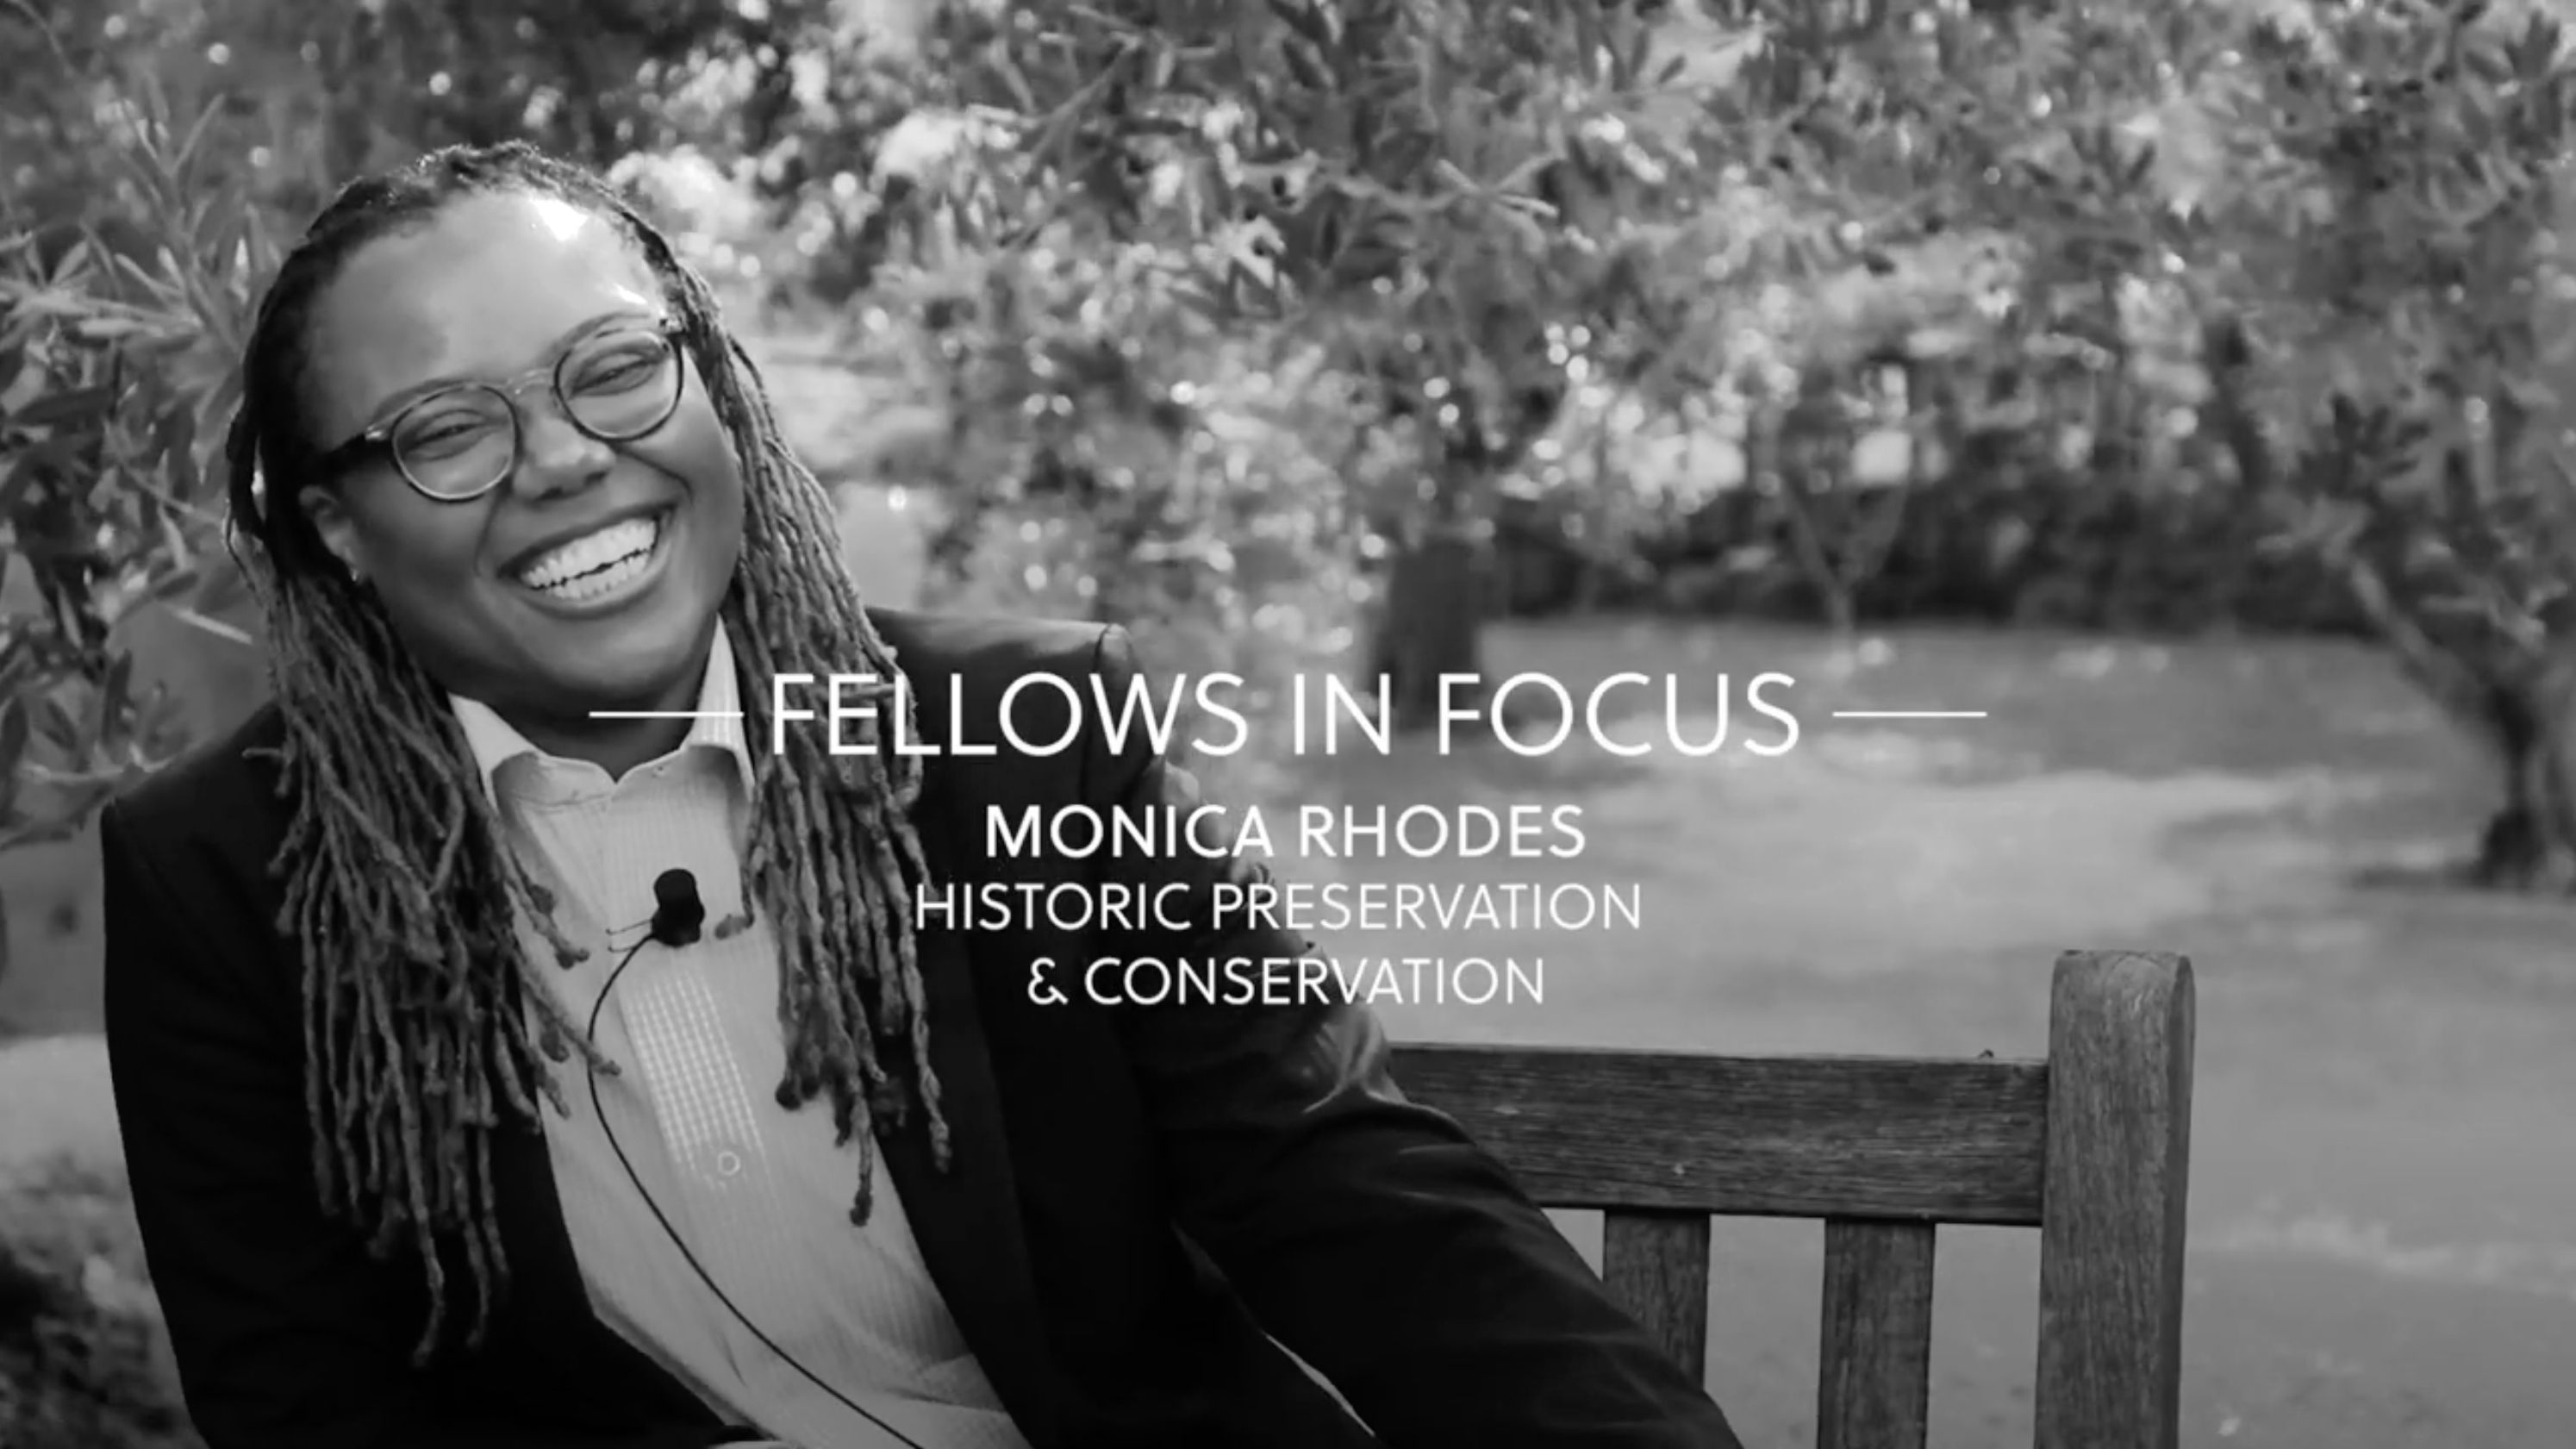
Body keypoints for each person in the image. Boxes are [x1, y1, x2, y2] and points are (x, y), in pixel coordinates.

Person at [98, 141, 1748, 1449]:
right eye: (450, 428)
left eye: (614, 368)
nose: (562, 458)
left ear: (709, 385)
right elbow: (306, 1407)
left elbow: (1337, 1186)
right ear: (333, 523)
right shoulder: (222, 883)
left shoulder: (1023, 738)